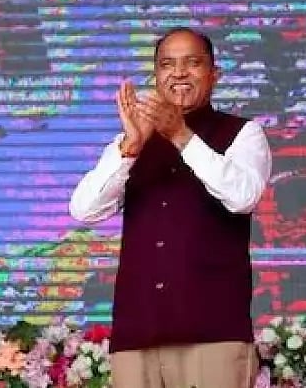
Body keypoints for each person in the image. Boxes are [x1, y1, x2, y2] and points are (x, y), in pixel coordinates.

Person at [69, 27, 271, 388]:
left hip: (214, 335)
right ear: (156, 76)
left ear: (214, 74)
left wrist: (181, 135)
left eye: (192, 63)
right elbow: (83, 210)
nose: (178, 73)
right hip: (137, 335)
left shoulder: (243, 133)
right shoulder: (133, 141)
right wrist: (130, 148)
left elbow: (242, 197)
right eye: (167, 64)